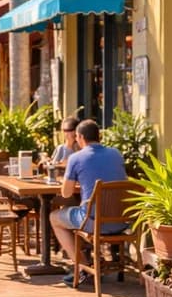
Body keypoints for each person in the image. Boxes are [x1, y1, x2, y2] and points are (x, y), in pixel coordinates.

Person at [50, 119, 128, 287]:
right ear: (99, 136)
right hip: (121, 222)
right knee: (83, 211)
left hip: (93, 223)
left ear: (80, 137)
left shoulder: (76, 158)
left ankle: (83, 267)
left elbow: (66, 193)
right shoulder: (116, 154)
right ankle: (93, 261)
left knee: (54, 217)